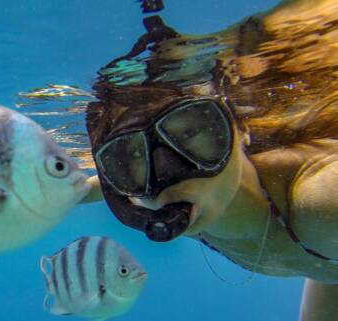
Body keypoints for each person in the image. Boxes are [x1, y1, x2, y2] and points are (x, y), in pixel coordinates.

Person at [80, 1, 338, 320]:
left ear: (239, 128)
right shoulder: (159, 200)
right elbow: (88, 187)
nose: (170, 174)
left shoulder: (322, 202)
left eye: (191, 133)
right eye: (132, 155)